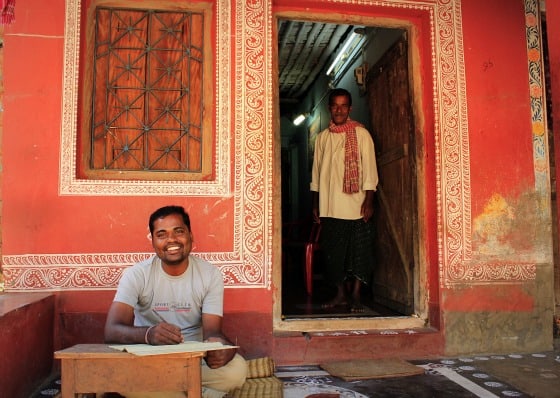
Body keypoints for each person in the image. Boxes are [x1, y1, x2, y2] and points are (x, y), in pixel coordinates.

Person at [104, 205, 247, 398]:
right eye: (161, 234)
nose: (171, 240)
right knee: (119, 376)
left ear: (190, 235)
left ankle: (167, 391)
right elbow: (112, 331)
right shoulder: (137, 275)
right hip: (149, 359)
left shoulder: (209, 274)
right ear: (153, 241)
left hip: (194, 359)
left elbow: (213, 332)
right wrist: (149, 334)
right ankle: (200, 393)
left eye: (178, 231)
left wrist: (222, 348)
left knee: (237, 370)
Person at [310, 88, 379, 313]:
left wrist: (369, 201)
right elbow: (316, 173)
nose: (339, 110)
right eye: (335, 105)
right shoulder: (322, 138)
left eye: (343, 106)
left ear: (350, 108)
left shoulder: (362, 135)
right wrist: (315, 203)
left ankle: (356, 295)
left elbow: (370, 170)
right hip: (330, 206)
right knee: (334, 254)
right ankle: (340, 294)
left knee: (359, 252)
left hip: (356, 205)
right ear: (329, 108)